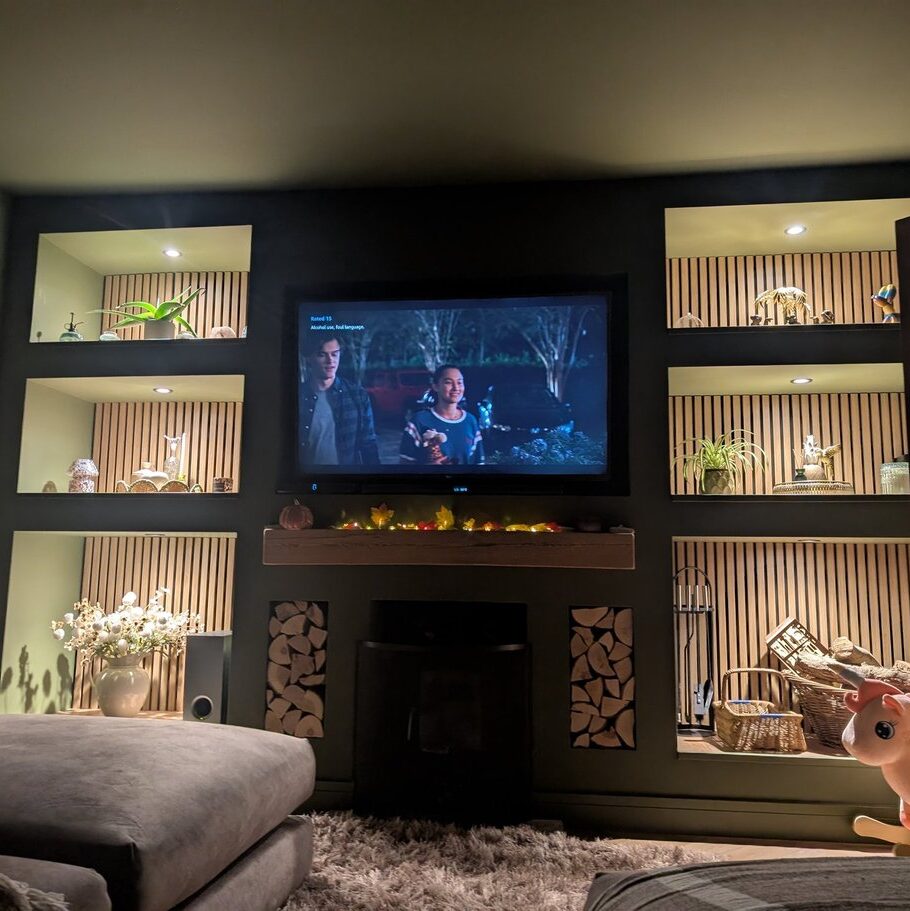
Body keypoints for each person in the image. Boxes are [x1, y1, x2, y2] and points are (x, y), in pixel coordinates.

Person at [299, 334, 380, 466]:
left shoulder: (357, 395)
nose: (330, 361)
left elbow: (369, 445)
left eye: (335, 354)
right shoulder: (299, 396)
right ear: (309, 357)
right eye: (322, 355)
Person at [400, 365, 484, 465]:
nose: (456, 388)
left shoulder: (470, 421)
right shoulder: (419, 421)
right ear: (435, 386)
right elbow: (405, 464)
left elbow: (478, 462)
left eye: (459, 382)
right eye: (448, 382)